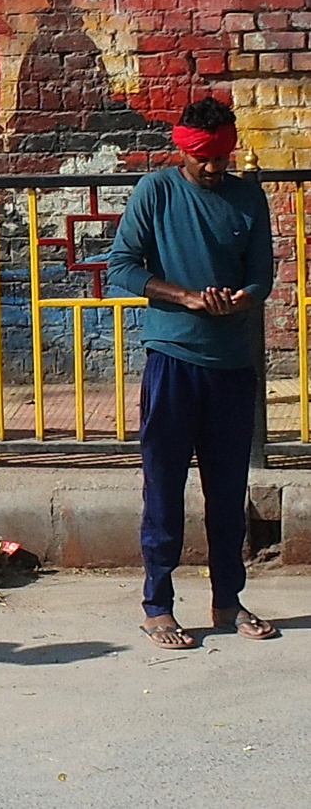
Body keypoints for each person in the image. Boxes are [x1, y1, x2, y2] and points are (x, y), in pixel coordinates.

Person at [107, 95, 278, 650]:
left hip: (232, 367)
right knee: (164, 489)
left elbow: (261, 276)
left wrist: (240, 299)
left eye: (221, 156)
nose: (213, 166)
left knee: (227, 494)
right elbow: (123, 267)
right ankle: (157, 605)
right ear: (183, 150)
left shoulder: (248, 197)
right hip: (173, 362)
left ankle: (228, 601)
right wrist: (185, 297)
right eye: (204, 157)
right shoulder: (155, 191)